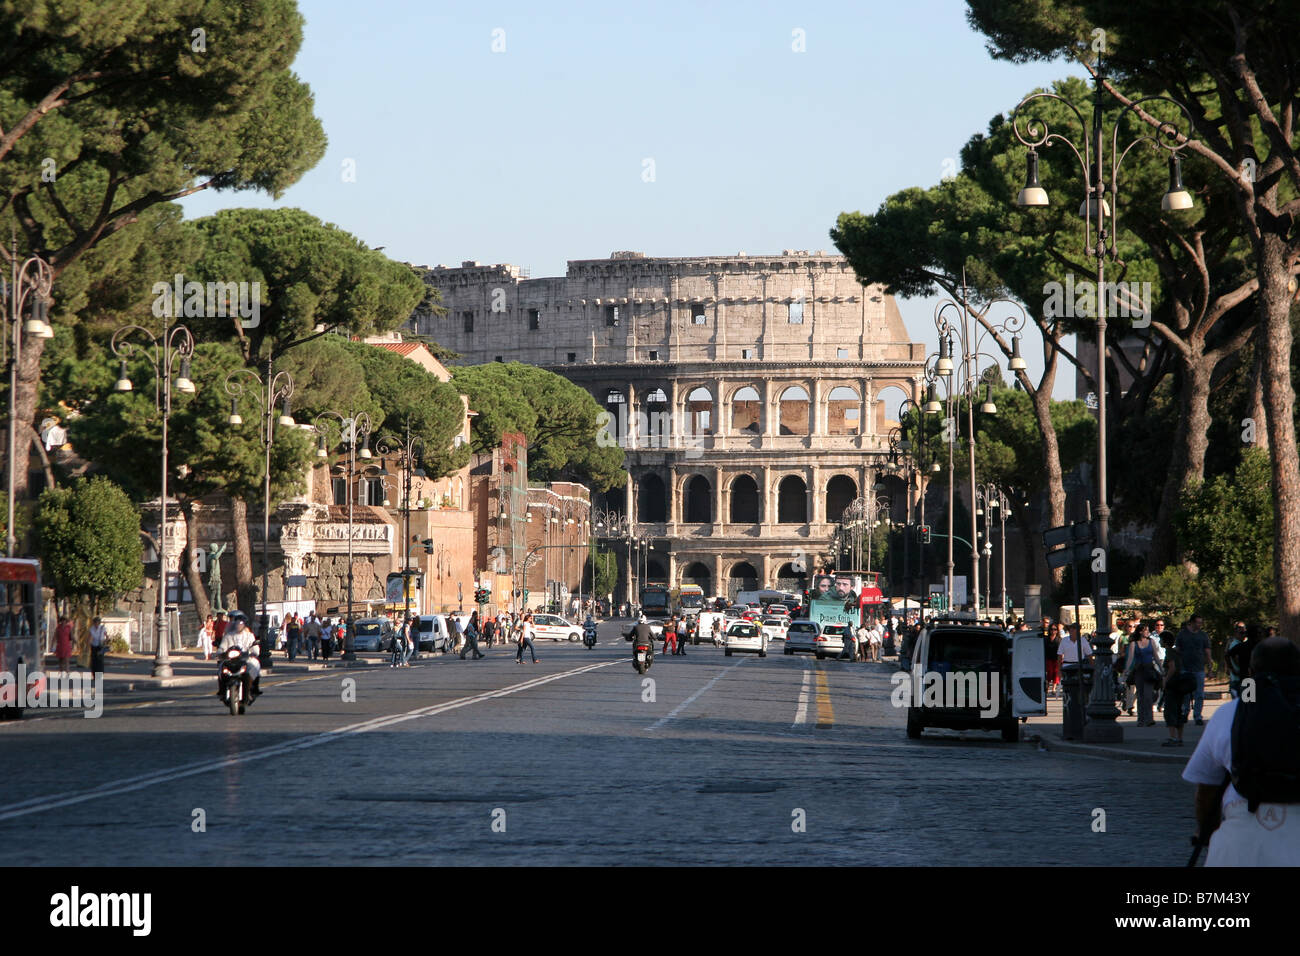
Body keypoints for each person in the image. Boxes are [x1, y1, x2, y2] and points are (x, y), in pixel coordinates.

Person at [1182, 637, 1300, 865]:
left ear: (1251, 670)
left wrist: (1205, 831)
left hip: (1241, 842)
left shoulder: (1230, 713)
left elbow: (1206, 788)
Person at [1175, 614, 1213, 726]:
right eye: (1198, 622)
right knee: (1185, 693)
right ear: (1191, 622)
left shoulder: (1203, 635)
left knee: (1199, 693)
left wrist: (1210, 667)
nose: (1199, 625)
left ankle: (1197, 715)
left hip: (1199, 668)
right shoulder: (1182, 634)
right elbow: (1177, 650)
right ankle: (1185, 713)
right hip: (1185, 667)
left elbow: (1207, 651)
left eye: (1201, 623)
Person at [216, 612, 262, 700]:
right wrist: (220, 652)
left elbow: (254, 646)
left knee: (255, 665)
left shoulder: (249, 636)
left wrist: (254, 652)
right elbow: (222, 647)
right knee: (221, 669)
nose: (239, 626)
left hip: (245, 658)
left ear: (244, 625)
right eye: (237, 623)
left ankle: (254, 689)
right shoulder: (228, 636)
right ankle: (221, 691)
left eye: (241, 624)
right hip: (231, 659)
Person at [1123, 623, 1160, 727]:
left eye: (1148, 630)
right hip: (1139, 671)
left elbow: (1156, 656)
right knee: (1140, 695)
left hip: (1149, 670)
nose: (1147, 632)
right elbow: (1130, 658)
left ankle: (1149, 719)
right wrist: (1126, 670)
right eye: (1145, 630)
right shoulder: (1134, 644)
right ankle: (1141, 719)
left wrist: (1160, 668)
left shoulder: (1151, 642)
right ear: (1140, 632)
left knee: (1148, 696)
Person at [1161, 643, 1196, 747]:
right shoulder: (1180, 653)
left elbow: (1172, 668)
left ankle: (1172, 737)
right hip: (1181, 685)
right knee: (1179, 711)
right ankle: (1179, 738)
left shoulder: (1170, 652)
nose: (1159, 642)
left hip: (1173, 685)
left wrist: (1165, 681)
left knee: (1170, 712)